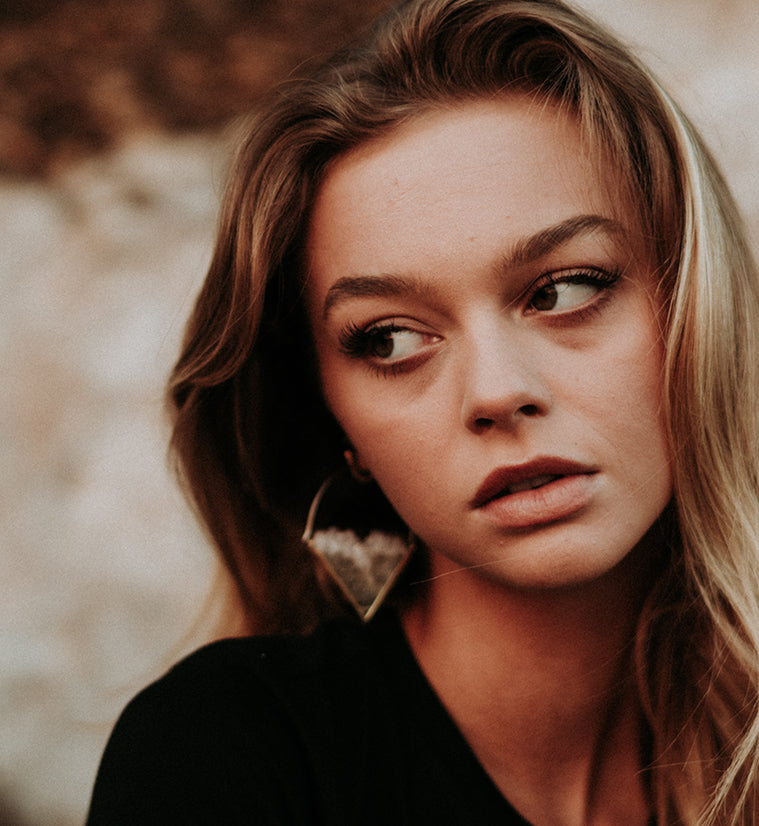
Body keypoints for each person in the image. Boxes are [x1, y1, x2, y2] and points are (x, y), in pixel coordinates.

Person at [86, 0, 759, 823]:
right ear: (332, 416)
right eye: (390, 340)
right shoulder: (228, 758)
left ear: (696, 305)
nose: (496, 392)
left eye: (562, 289)